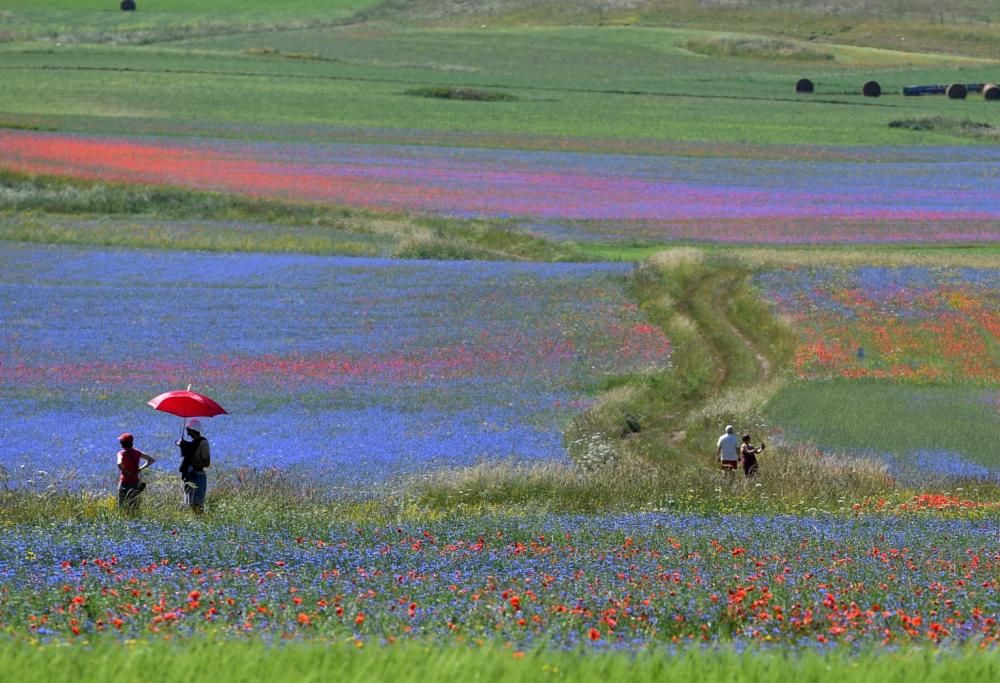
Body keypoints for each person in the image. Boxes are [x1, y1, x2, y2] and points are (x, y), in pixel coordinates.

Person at [177, 418, 210, 513]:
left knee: (197, 506)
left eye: (188, 430)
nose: (187, 432)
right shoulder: (192, 443)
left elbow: (206, 463)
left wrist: (192, 462)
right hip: (189, 476)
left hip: (198, 476)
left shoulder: (203, 442)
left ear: (192, 430)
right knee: (188, 504)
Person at [117, 433, 155, 513]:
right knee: (134, 506)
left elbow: (119, 463)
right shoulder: (137, 452)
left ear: (122, 443)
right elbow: (151, 460)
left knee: (122, 506)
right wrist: (140, 469)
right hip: (135, 482)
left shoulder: (121, 453)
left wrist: (125, 472)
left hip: (124, 482)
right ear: (131, 443)